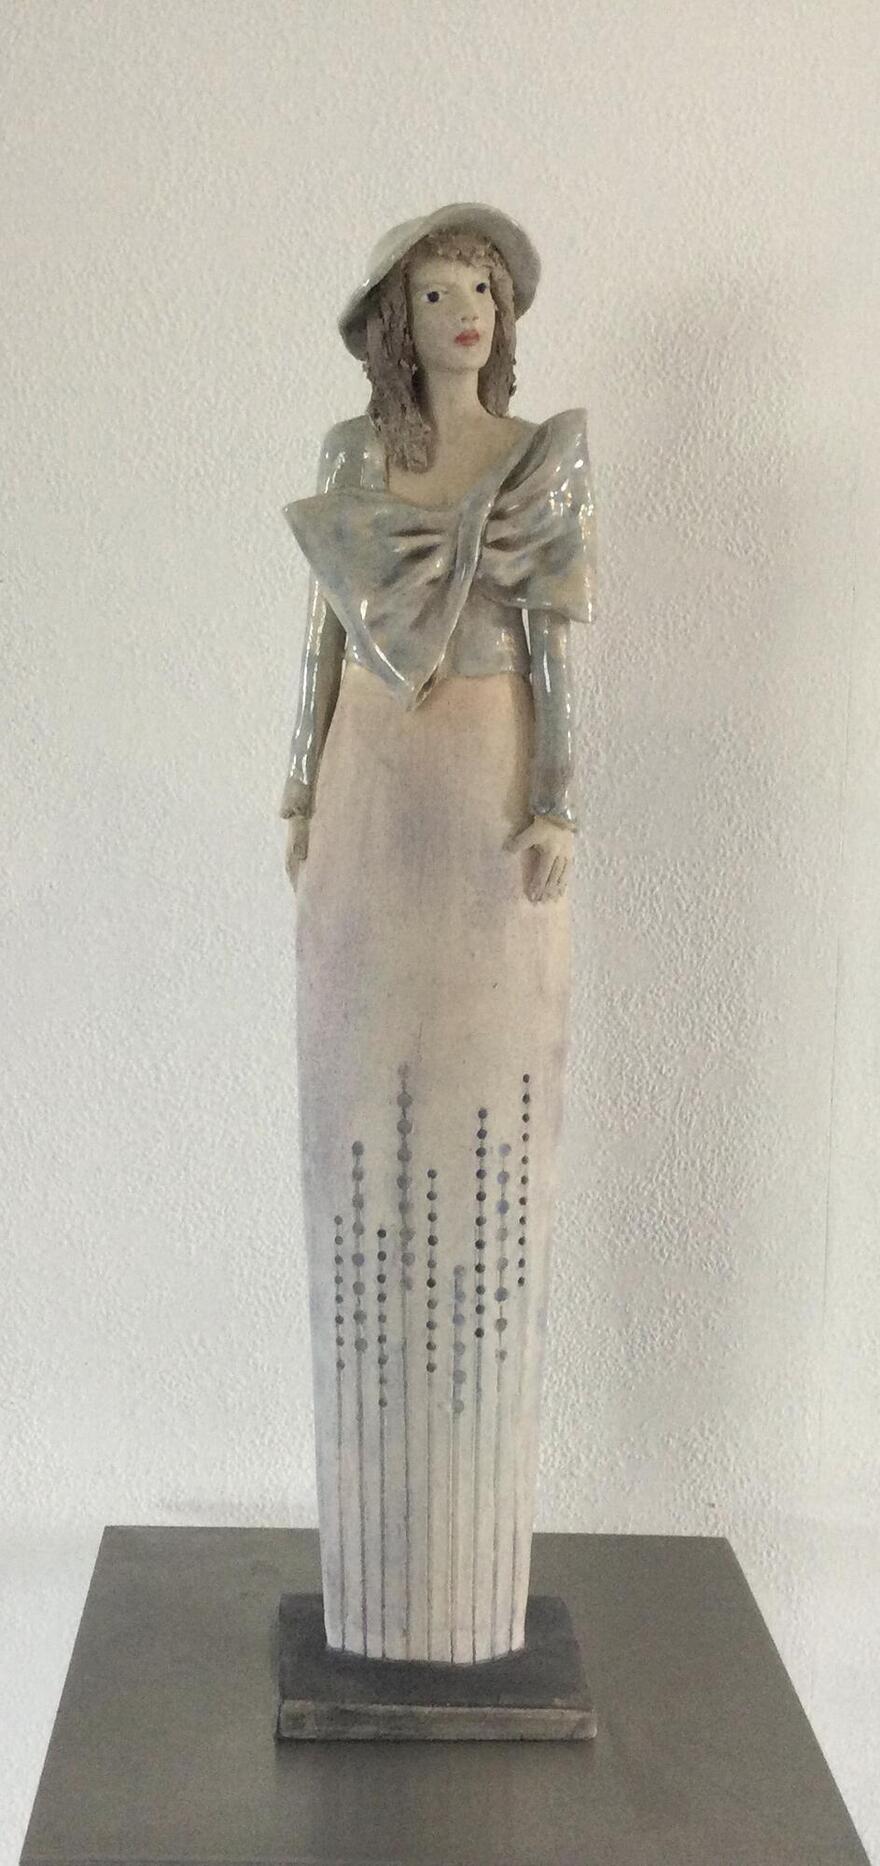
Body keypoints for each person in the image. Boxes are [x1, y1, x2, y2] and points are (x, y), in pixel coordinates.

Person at [278, 203, 596, 1663]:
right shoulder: (356, 458)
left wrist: (558, 800)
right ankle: (371, 1586)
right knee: (360, 1106)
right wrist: (296, 782)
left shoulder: (535, 464)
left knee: (490, 1122)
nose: (465, 309)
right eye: (435, 291)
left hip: (488, 780)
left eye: (482, 288)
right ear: (393, 325)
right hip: (370, 773)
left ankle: (468, 1591)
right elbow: (320, 633)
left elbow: (554, 645)